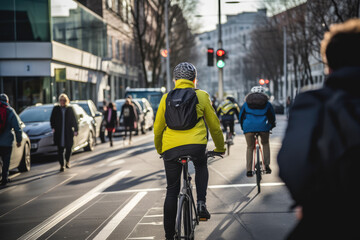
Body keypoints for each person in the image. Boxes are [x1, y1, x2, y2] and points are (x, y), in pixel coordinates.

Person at [277, 19, 360, 239]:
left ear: (329, 66)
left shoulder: (314, 102)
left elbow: (293, 163)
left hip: (331, 217)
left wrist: (310, 202)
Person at [154, 62, 226, 240]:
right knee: (201, 165)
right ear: (194, 79)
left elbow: (157, 129)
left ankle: (169, 235)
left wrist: (161, 149)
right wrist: (220, 147)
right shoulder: (201, 96)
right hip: (196, 146)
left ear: (175, 80)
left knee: (172, 189)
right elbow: (215, 126)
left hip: (170, 148)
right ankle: (201, 203)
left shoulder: (166, 98)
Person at [239, 86, 276, 177]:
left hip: (249, 127)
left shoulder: (246, 103)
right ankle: (266, 166)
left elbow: (241, 116)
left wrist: (243, 127)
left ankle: (248, 170)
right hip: (263, 127)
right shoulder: (267, 103)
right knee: (265, 143)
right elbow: (272, 116)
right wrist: (271, 126)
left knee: (250, 147)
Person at [50, 94, 78, 172]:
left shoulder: (70, 109)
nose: (62, 102)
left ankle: (67, 161)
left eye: (64, 100)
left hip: (68, 132)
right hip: (59, 132)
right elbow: (52, 119)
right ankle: (62, 165)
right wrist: (53, 127)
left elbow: (74, 120)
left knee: (69, 148)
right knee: (60, 150)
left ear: (66, 101)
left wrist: (76, 130)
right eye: (61, 100)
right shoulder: (56, 109)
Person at [0, 93, 22, 186]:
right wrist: (18, 140)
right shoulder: (10, 111)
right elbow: (17, 127)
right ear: (7, 101)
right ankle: (4, 178)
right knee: (6, 160)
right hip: (6, 142)